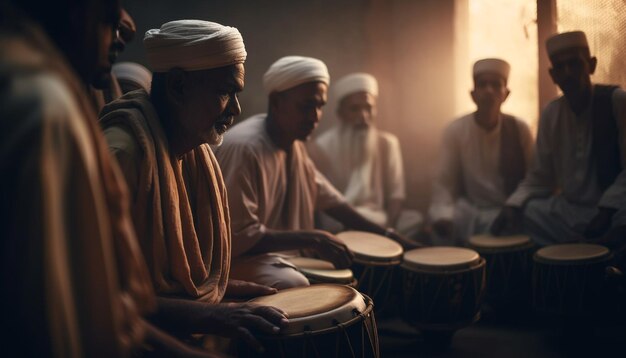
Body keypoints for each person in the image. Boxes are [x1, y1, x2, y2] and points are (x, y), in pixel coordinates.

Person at [0, 1, 221, 356]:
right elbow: (69, 310)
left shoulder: (39, 92)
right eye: (108, 11)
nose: (126, 26)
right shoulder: (44, 108)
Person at [100, 20, 287, 352]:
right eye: (224, 91)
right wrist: (209, 315)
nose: (236, 109)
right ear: (178, 86)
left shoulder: (196, 152)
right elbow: (98, 295)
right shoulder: (121, 155)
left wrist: (220, 290)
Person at [215, 56, 416, 290]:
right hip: (237, 260)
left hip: (281, 256)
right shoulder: (245, 148)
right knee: (294, 283)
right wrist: (313, 238)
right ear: (277, 101)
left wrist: (391, 237)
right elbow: (238, 237)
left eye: (320, 106)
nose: (315, 116)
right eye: (306, 106)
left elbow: (333, 202)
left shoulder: (294, 143)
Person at [492, 31, 626, 248]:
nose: (568, 73)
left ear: (591, 65)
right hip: (568, 212)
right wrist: (512, 205)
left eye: (574, 64)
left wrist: (606, 211)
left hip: (615, 209)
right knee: (527, 214)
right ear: (553, 75)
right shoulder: (551, 113)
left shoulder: (617, 102)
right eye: (560, 68)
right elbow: (539, 177)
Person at [428, 58, 533, 245]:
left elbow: (533, 178)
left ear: (506, 94)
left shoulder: (520, 128)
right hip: (470, 210)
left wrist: (514, 205)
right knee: (443, 228)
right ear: (473, 94)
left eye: (495, 85)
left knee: (539, 215)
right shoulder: (455, 130)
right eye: (482, 85)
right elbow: (444, 182)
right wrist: (442, 215)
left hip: (508, 208)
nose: (488, 91)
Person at [309, 73, 423, 238]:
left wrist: (389, 230)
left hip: (378, 217)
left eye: (368, 108)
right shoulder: (321, 146)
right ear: (340, 113)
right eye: (355, 109)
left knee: (414, 219)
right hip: (339, 218)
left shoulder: (387, 143)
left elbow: (396, 195)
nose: (363, 116)